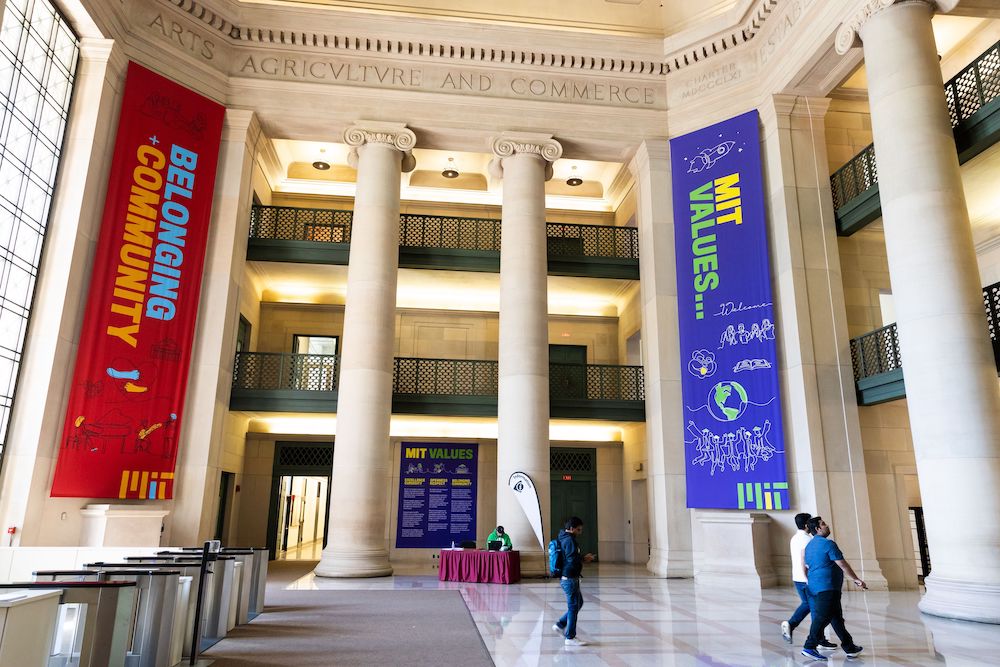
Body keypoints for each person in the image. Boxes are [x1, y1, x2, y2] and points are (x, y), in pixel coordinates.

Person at [801, 516, 866, 662]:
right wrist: (856, 579)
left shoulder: (809, 546)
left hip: (816, 587)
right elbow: (842, 564)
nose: (827, 526)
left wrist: (809, 582)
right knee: (822, 617)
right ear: (818, 529)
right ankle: (809, 646)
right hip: (827, 587)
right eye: (823, 524)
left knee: (836, 618)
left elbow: (806, 567)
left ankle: (850, 647)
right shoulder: (828, 544)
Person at [781, 513, 836, 650]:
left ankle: (816, 636)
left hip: (797, 578)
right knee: (818, 611)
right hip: (807, 579)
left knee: (810, 606)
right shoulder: (808, 540)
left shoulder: (794, 538)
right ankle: (814, 639)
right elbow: (805, 561)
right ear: (807, 525)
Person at [551, 516, 595, 647]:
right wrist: (584, 559)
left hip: (569, 577)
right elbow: (571, 559)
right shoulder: (569, 540)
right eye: (579, 529)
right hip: (569, 578)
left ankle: (560, 625)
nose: (580, 532)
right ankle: (570, 637)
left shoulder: (563, 537)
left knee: (578, 603)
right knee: (573, 606)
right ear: (571, 529)